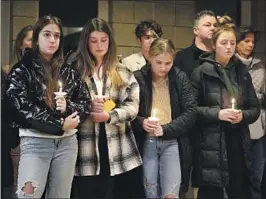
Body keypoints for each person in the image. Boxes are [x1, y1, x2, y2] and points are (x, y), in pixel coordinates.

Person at [5, 15, 90, 198]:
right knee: (29, 195)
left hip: (67, 143)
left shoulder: (69, 71)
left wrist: (68, 108)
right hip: (36, 141)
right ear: (36, 38)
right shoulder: (21, 70)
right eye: (47, 34)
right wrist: (59, 124)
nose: (52, 40)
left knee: (60, 196)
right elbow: (22, 108)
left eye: (57, 36)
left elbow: (84, 102)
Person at [68, 18, 142, 199]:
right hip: (85, 145)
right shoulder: (74, 70)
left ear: (110, 41)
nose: (99, 45)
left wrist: (110, 115)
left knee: (112, 192)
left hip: (117, 146)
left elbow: (133, 106)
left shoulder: (122, 71)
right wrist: (87, 107)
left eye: (103, 40)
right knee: (87, 192)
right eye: (93, 41)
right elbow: (66, 103)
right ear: (86, 42)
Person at [190, 15, 261, 199]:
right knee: (211, 192)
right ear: (214, 45)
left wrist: (242, 116)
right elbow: (190, 110)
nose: (229, 47)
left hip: (237, 140)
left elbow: (254, 108)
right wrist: (218, 114)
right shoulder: (201, 72)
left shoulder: (242, 71)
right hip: (211, 142)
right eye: (224, 43)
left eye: (232, 42)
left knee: (239, 191)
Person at [132, 38, 197, 198]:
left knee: (171, 193)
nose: (163, 67)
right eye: (158, 62)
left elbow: (191, 111)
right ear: (150, 58)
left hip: (172, 140)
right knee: (150, 190)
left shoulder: (180, 78)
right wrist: (142, 122)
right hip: (147, 141)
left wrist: (166, 129)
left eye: (168, 63)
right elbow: (129, 111)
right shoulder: (138, 78)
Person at [1, 24, 33, 198]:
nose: (33, 45)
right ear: (21, 44)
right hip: (13, 136)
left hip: (35, 135)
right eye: (30, 40)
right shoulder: (7, 71)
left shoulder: (47, 73)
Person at [235, 26, 265, 197]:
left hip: (258, 129)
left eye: (253, 42)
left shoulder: (260, 66)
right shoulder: (231, 64)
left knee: (256, 177)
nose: (250, 45)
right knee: (238, 178)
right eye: (246, 41)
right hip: (237, 127)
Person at [174, 10, 217, 76]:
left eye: (215, 25)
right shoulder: (182, 57)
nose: (213, 28)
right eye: (208, 25)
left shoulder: (220, 56)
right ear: (196, 30)